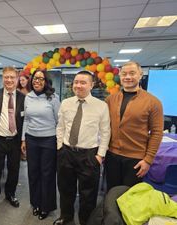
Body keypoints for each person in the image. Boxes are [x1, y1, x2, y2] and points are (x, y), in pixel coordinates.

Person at [54, 70, 110, 225]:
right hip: (66, 153)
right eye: (76, 82)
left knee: (88, 194)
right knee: (65, 190)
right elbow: (60, 127)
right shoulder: (66, 103)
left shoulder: (101, 106)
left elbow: (106, 132)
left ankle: (86, 221)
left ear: (91, 85)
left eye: (83, 82)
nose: (78, 85)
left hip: (89, 155)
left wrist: (100, 155)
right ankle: (66, 218)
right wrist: (60, 147)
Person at [105, 61, 163, 191]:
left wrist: (148, 160)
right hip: (112, 155)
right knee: (112, 192)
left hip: (136, 159)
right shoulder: (110, 99)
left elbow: (157, 132)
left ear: (140, 75)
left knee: (130, 197)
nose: (127, 77)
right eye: (124, 74)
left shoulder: (153, 102)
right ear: (120, 76)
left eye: (132, 73)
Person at [21, 70, 60, 220]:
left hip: (49, 140)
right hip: (31, 139)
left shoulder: (53, 98)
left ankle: (46, 206)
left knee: (47, 174)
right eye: (35, 78)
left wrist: (58, 141)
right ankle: (36, 203)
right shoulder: (28, 97)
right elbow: (26, 120)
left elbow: (59, 121)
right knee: (33, 172)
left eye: (41, 78)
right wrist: (23, 139)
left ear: (46, 81)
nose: (37, 81)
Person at [0, 66, 25, 208]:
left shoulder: (23, 97)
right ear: (3, 78)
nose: (9, 80)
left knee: (14, 169)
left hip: (15, 140)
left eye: (12, 77)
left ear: (17, 79)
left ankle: (10, 194)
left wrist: (23, 140)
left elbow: (26, 120)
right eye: (6, 77)